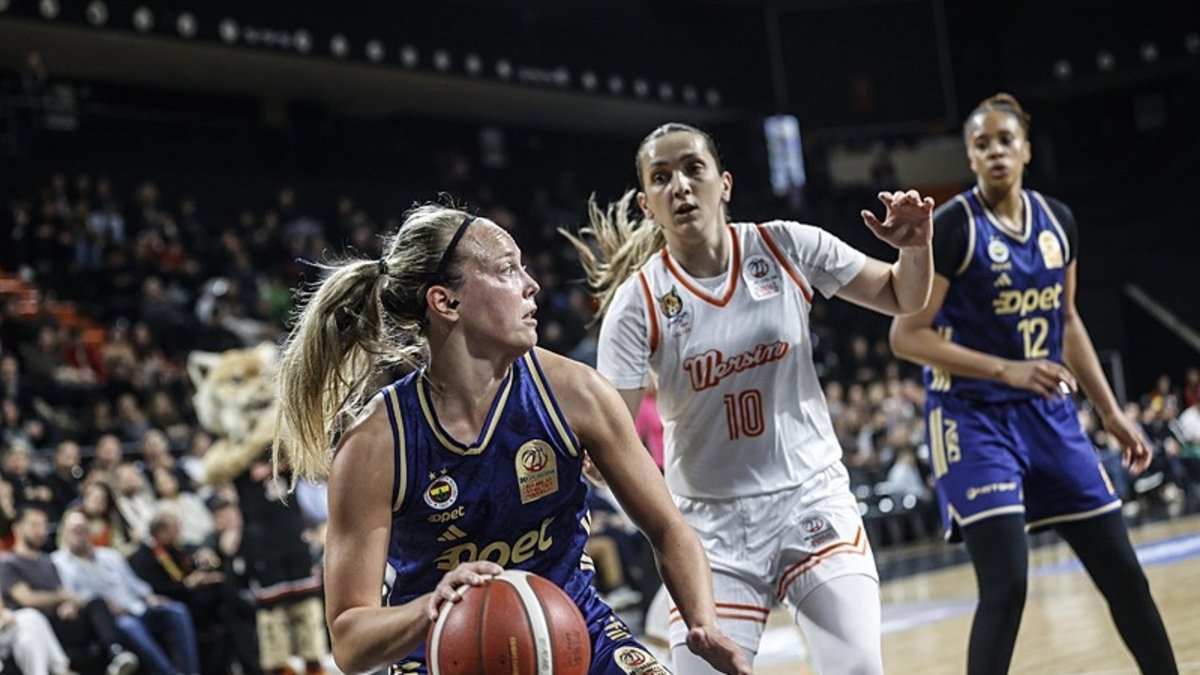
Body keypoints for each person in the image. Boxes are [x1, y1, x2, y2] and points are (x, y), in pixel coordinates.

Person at [271, 204, 751, 675]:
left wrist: (703, 622)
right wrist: (431, 609)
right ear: (446, 302)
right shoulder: (376, 443)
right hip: (440, 656)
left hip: (576, 631)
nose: (532, 285)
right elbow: (350, 642)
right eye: (507, 270)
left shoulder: (576, 393)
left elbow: (668, 528)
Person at [563, 122, 934, 674]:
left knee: (857, 668)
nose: (682, 186)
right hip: (709, 528)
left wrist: (916, 247)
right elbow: (612, 436)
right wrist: (597, 461)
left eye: (694, 168)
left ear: (725, 183)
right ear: (647, 203)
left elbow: (904, 294)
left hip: (811, 499)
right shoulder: (636, 303)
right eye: (662, 178)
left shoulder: (787, 245)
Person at [889, 93, 1177, 674]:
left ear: (1025, 147)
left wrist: (1112, 413)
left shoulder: (1058, 221)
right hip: (971, 418)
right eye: (981, 143)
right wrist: (1008, 369)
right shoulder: (953, 227)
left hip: (1048, 418)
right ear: (970, 157)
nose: (995, 151)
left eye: (1004, 140)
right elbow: (908, 335)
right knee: (1007, 585)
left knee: (1124, 574)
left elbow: (1067, 320)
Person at [52, 511, 201, 675]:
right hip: (112, 619)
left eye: (84, 530)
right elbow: (70, 596)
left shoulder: (110, 555)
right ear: (64, 534)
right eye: (75, 530)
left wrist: (150, 597)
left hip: (137, 607)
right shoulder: (58, 563)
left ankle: (191, 672)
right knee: (130, 626)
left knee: (177, 610)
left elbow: (135, 584)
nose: (81, 535)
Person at [0, 507, 139, 675]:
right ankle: (62, 669)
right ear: (17, 528)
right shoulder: (8, 562)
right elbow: (27, 599)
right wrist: (60, 597)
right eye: (34, 525)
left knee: (96, 602)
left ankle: (116, 653)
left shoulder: (46, 560)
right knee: (34, 621)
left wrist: (68, 603)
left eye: (44, 526)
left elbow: (62, 591)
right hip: (37, 621)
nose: (41, 531)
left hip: (62, 617)